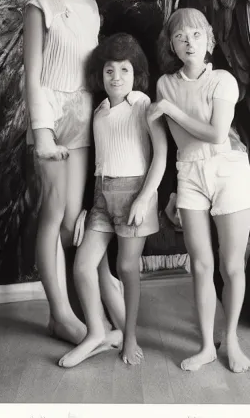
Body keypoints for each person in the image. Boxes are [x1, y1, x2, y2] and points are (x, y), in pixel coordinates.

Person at [23, 0, 124, 352]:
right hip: (50, 112)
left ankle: (88, 308)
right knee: (52, 210)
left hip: (83, 113)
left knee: (72, 219)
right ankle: (61, 315)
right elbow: (31, 77)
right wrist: (42, 132)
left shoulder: (91, 6)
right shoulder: (38, 5)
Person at [148, 8, 250, 374]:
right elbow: (183, 142)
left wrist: (169, 111)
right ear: (172, 45)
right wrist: (175, 111)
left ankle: (230, 342)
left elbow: (215, 135)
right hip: (189, 173)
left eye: (196, 35)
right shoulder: (166, 84)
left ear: (208, 40)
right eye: (180, 37)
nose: (189, 42)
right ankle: (205, 346)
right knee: (199, 265)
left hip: (228, 170)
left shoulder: (223, 81)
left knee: (230, 264)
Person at [59, 33, 168, 368]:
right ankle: (96, 332)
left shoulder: (144, 105)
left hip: (136, 194)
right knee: (82, 266)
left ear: (136, 74)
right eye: (109, 70)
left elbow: (161, 156)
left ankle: (130, 337)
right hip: (102, 198)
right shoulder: (100, 112)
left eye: (124, 70)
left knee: (125, 267)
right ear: (100, 74)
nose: (116, 77)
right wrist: (87, 209)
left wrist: (143, 200)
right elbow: (98, 165)